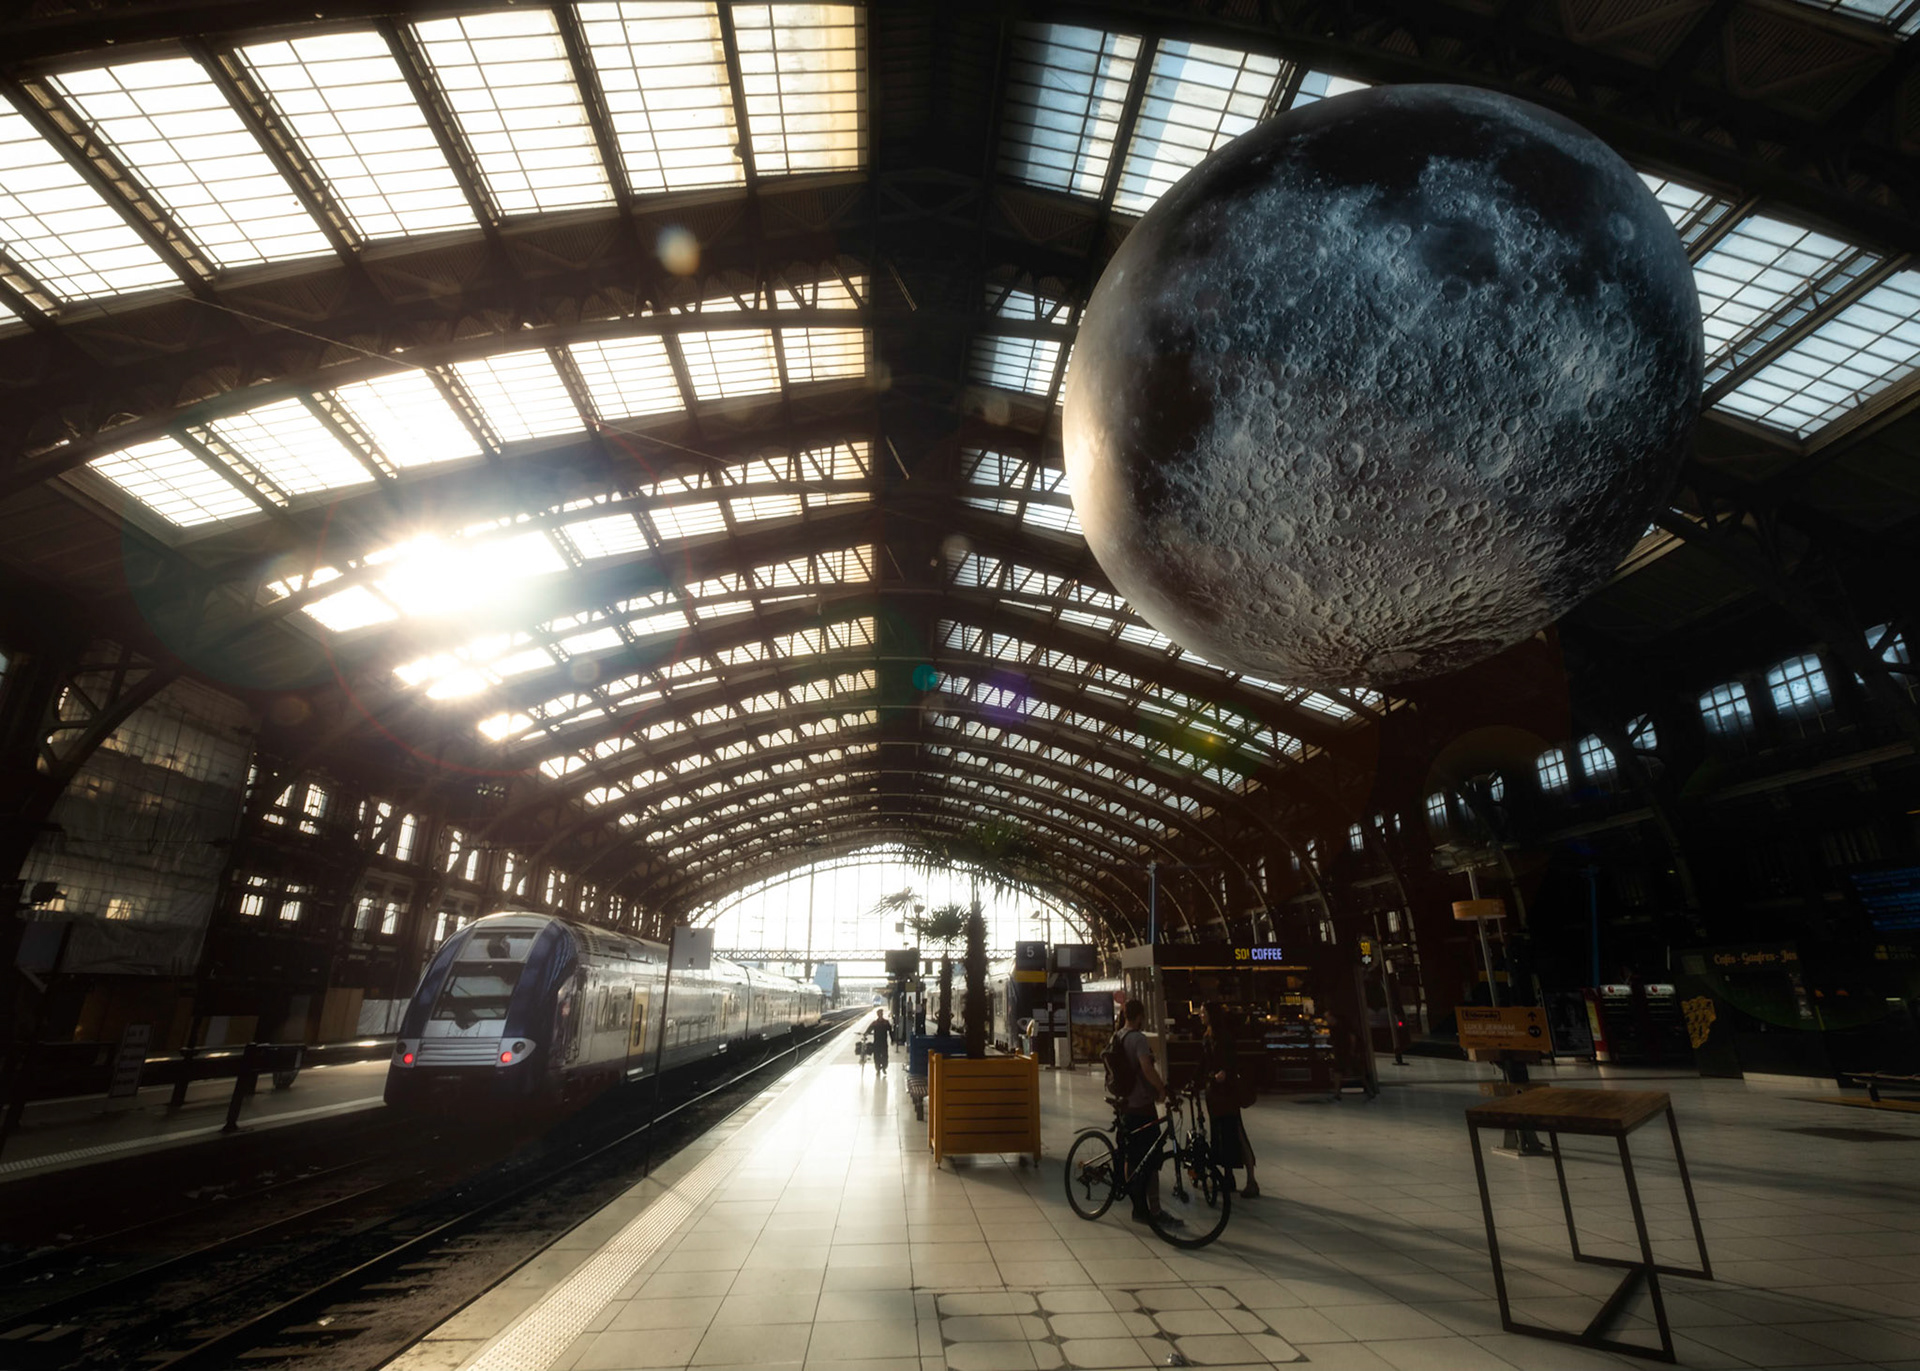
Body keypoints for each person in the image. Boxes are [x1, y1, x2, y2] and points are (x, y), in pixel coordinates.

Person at [1114, 999, 1179, 1227]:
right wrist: (1161, 1088)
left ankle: (1137, 1206)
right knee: (1152, 1159)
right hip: (1142, 1105)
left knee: (1132, 1156)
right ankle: (1155, 1210)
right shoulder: (1138, 1039)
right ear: (1140, 1016)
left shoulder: (1118, 1036)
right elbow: (1147, 1067)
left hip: (1124, 1105)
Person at [1202, 1002, 1259, 1199]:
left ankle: (1251, 1180)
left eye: (1203, 1013)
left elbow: (1230, 1062)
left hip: (1227, 1093)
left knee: (1236, 1133)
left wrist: (1224, 1072)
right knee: (1223, 1136)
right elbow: (1204, 1062)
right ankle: (1228, 1176)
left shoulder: (1223, 1037)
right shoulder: (1208, 1036)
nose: (1201, 1016)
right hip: (1217, 1094)